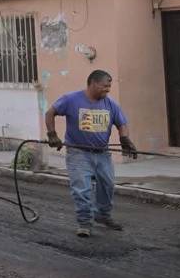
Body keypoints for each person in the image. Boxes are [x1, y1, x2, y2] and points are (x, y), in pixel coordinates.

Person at [45, 69, 138, 237]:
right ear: (93, 83)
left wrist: (125, 139)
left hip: (102, 153)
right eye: (105, 86)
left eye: (109, 87)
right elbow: (50, 112)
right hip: (78, 153)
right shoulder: (71, 99)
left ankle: (102, 215)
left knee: (107, 185)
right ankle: (84, 223)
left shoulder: (110, 104)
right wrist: (52, 134)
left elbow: (121, 123)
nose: (107, 90)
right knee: (82, 189)